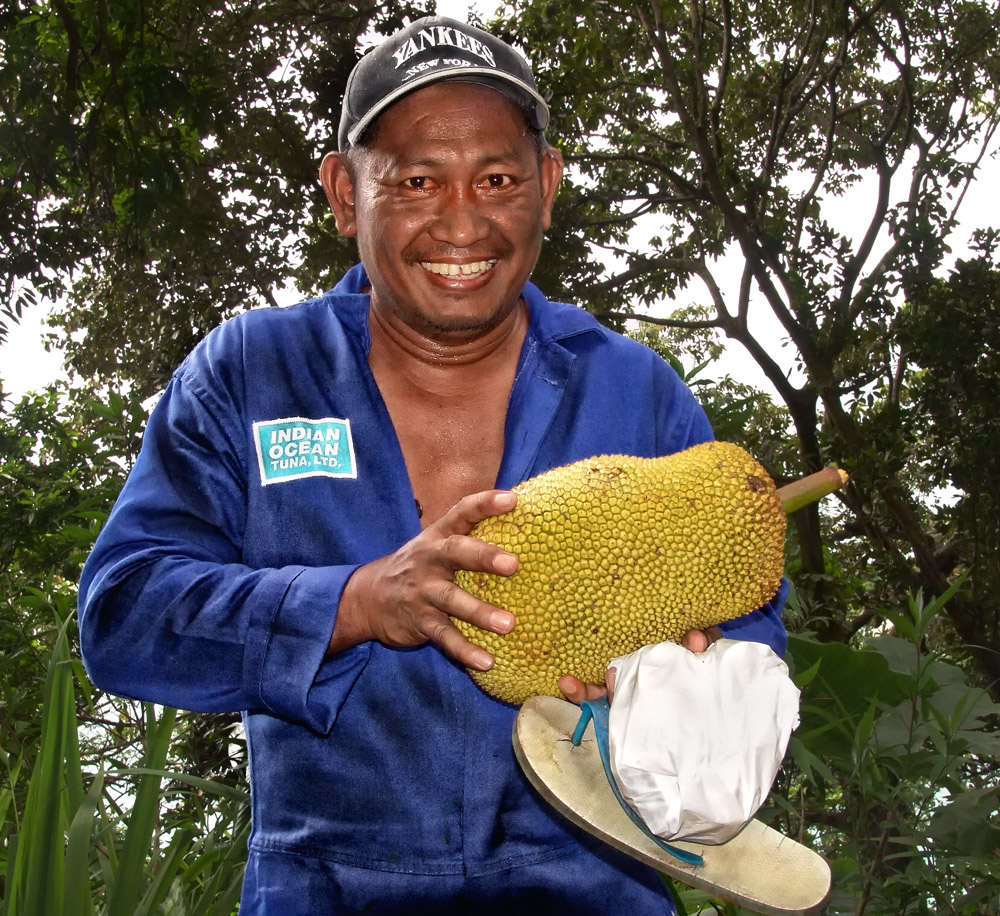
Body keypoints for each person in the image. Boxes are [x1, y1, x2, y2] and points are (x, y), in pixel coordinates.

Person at [78, 16, 787, 915]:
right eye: (418, 180)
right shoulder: (250, 373)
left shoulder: (633, 390)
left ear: (547, 186)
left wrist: (687, 682)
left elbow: (748, 630)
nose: (463, 221)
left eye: (497, 178)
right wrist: (356, 602)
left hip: (594, 888)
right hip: (325, 889)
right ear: (344, 194)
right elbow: (123, 613)